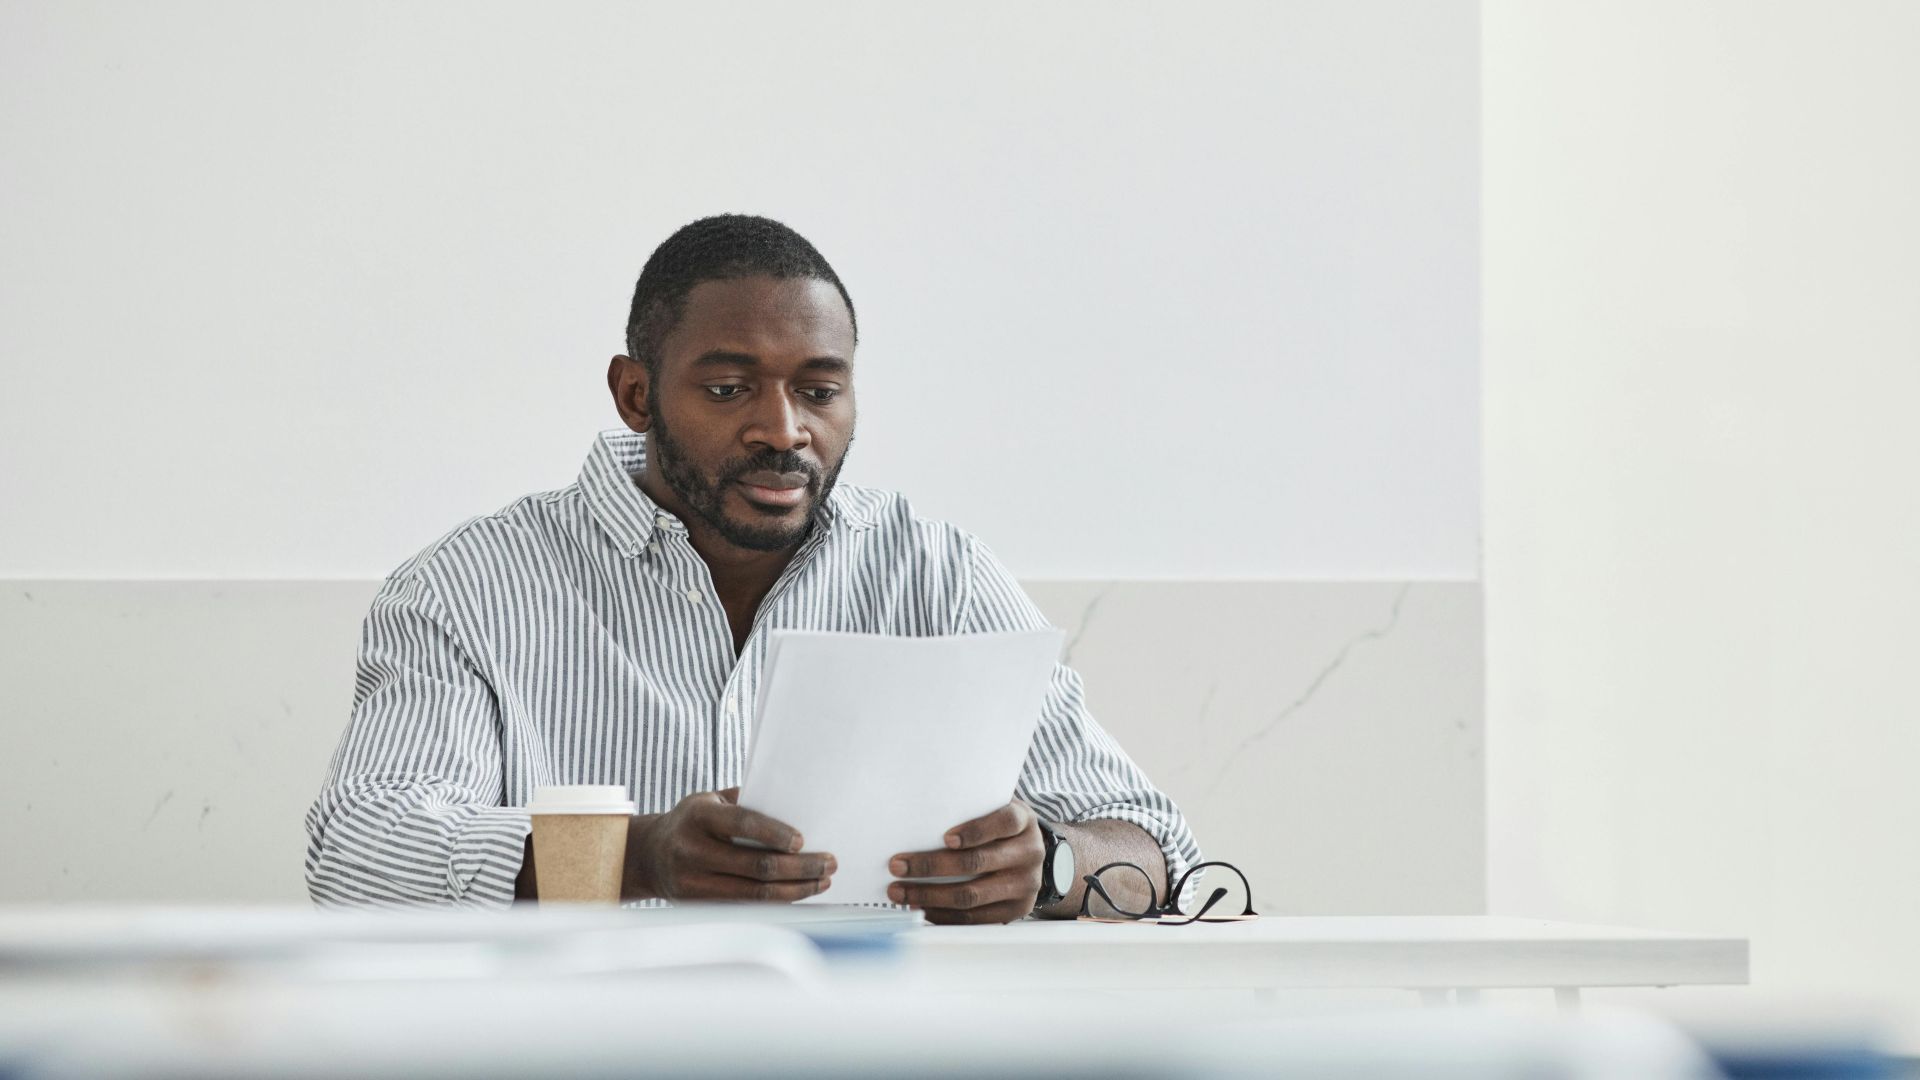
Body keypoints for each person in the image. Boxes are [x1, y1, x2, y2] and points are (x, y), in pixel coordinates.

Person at [303, 214, 1200, 923]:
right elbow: (360, 850)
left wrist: (1054, 862)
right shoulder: (467, 590)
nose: (784, 429)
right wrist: (636, 856)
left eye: (819, 390)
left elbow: (1161, 846)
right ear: (635, 394)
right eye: (729, 388)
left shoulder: (937, 574)